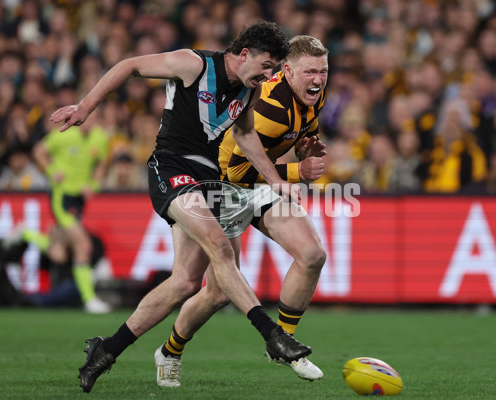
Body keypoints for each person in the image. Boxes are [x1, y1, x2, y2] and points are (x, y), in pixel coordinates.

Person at [50, 20, 311, 393]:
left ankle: (105, 350)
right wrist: (86, 106)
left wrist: (276, 180)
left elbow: (245, 133)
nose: (269, 75)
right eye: (267, 66)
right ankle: (272, 335)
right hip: (170, 167)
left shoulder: (248, 92)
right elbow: (129, 66)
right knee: (220, 247)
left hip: (207, 181)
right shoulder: (194, 64)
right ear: (243, 54)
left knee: (187, 282)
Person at [154, 35, 329, 387]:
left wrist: (304, 151)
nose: (319, 79)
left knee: (312, 255)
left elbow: (290, 138)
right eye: (311, 71)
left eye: (324, 71)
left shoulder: (313, 94)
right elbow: (237, 171)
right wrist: (296, 172)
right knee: (216, 293)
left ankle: (282, 342)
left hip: (259, 185)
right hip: (221, 186)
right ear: (288, 70)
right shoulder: (268, 105)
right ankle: (170, 351)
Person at [32, 115, 111, 314]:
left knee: (58, 253)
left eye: (94, 118)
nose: (89, 122)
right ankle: (89, 299)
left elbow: (102, 163)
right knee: (84, 245)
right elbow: (39, 151)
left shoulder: (99, 138)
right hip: (61, 196)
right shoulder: (64, 134)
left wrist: (94, 183)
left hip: (78, 200)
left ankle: (24, 233)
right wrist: (51, 171)